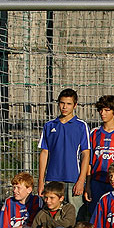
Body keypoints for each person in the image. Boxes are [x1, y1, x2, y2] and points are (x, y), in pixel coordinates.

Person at [37, 88, 90, 220]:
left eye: (68, 104)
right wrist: (41, 181)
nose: (64, 107)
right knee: (52, 218)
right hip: (53, 179)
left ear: (75, 105)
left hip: (73, 179)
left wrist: (81, 180)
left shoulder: (81, 126)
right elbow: (44, 152)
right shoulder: (49, 125)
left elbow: (86, 154)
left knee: (76, 218)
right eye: (62, 103)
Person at [85, 94, 114, 212]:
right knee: (96, 215)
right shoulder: (94, 133)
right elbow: (89, 163)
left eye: (107, 110)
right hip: (97, 183)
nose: (103, 113)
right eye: (101, 110)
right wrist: (87, 186)